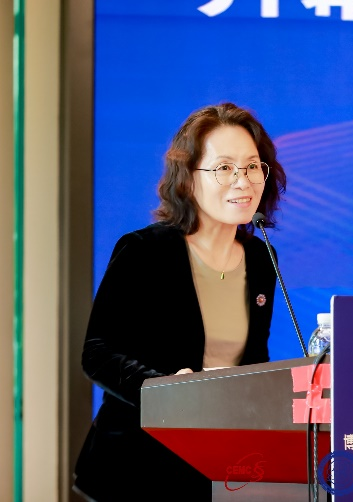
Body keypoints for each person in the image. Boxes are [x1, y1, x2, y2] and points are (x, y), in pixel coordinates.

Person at [73, 103, 286, 501]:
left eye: (252, 166)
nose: (242, 181)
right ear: (188, 179)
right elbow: (96, 353)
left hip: (217, 463)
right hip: (138, 464)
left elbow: (252, 359)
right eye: (224, 168)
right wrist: (162, 389)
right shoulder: (145, 251)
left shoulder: (261, 259)